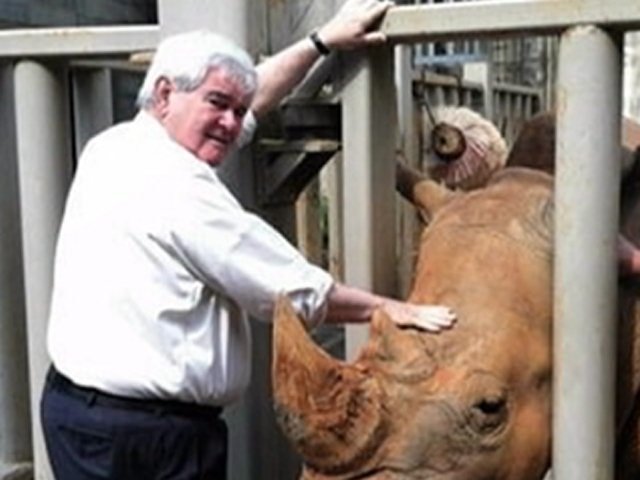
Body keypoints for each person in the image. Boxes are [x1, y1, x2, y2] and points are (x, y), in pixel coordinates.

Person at [40, 1, 456, 479]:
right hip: (150, 439)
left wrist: (319, 43)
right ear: (165, 93)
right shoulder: (182, 189)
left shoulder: (111, 147)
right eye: (218, 104)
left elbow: (248, 98)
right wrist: (393, 309)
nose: (232, 123)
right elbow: (293, 291)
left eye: (238, 111)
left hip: (74, 411)